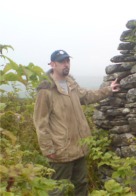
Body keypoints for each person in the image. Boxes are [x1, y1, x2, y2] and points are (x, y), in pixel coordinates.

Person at [33, 50, 120, 195]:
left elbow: (87, 96)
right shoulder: (46, 90)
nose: (66, 64)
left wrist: (108, 90)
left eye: (68, 61)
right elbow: (40, 123)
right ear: (53, 64)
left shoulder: (71, 84)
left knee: (81, 185)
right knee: (57, 190)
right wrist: (48, 149)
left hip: (79, 146)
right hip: (61, 150)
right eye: (62, 62)